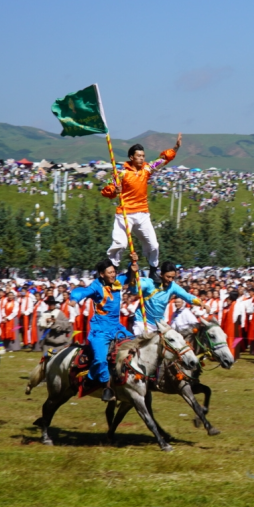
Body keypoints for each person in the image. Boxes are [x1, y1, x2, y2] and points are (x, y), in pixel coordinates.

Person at [100, 135, 182, 282]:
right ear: (131, 157)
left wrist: (175, 148)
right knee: (120, 244)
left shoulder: (147, 169)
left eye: (143, 156)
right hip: (125, 213)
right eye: (138, 156)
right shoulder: (121, 173)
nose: (142, 158)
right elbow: (107, 190)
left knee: (154, 245)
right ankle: (111, 271)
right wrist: (114, 191)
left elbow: (162, 160)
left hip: (142, 213)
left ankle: (153, 270)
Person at [69, 257, 138, 402]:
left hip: (117, 328)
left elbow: (129, 276)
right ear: (102, 274)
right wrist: (74, 299)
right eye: (110, 273)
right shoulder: (96, 286)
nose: (113, 275)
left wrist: (132, 264)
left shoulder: (117, 281)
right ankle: (105, 386)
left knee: (137, 346)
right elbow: (82, 292)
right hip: (100, 330)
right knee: (100, 360)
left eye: (114, 272)